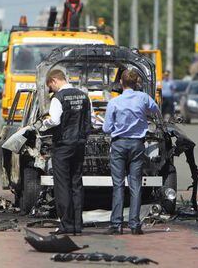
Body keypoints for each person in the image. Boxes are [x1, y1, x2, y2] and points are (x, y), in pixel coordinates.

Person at [103, 69, 162, 235]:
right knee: (135, 184)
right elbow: (156, 112)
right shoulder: (143, 98)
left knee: (118, 185)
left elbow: (107, 128)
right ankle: (135, 225)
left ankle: (116, 225)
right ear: (136, 83)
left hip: (119, 145)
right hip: (137, 144)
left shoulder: (114, 102)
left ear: (121, 83)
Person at [40, 69, 91, 235]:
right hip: (80, 144)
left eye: (50, 86)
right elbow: (89, 120)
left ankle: (66, 225)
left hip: (63, 145)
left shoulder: (58, 98)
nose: (51, 90)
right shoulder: (84, 95)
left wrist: (43, 124)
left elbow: (55, 120)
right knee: (76, 183)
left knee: (62, 185)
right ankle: (78, 224)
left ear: (54, 80)